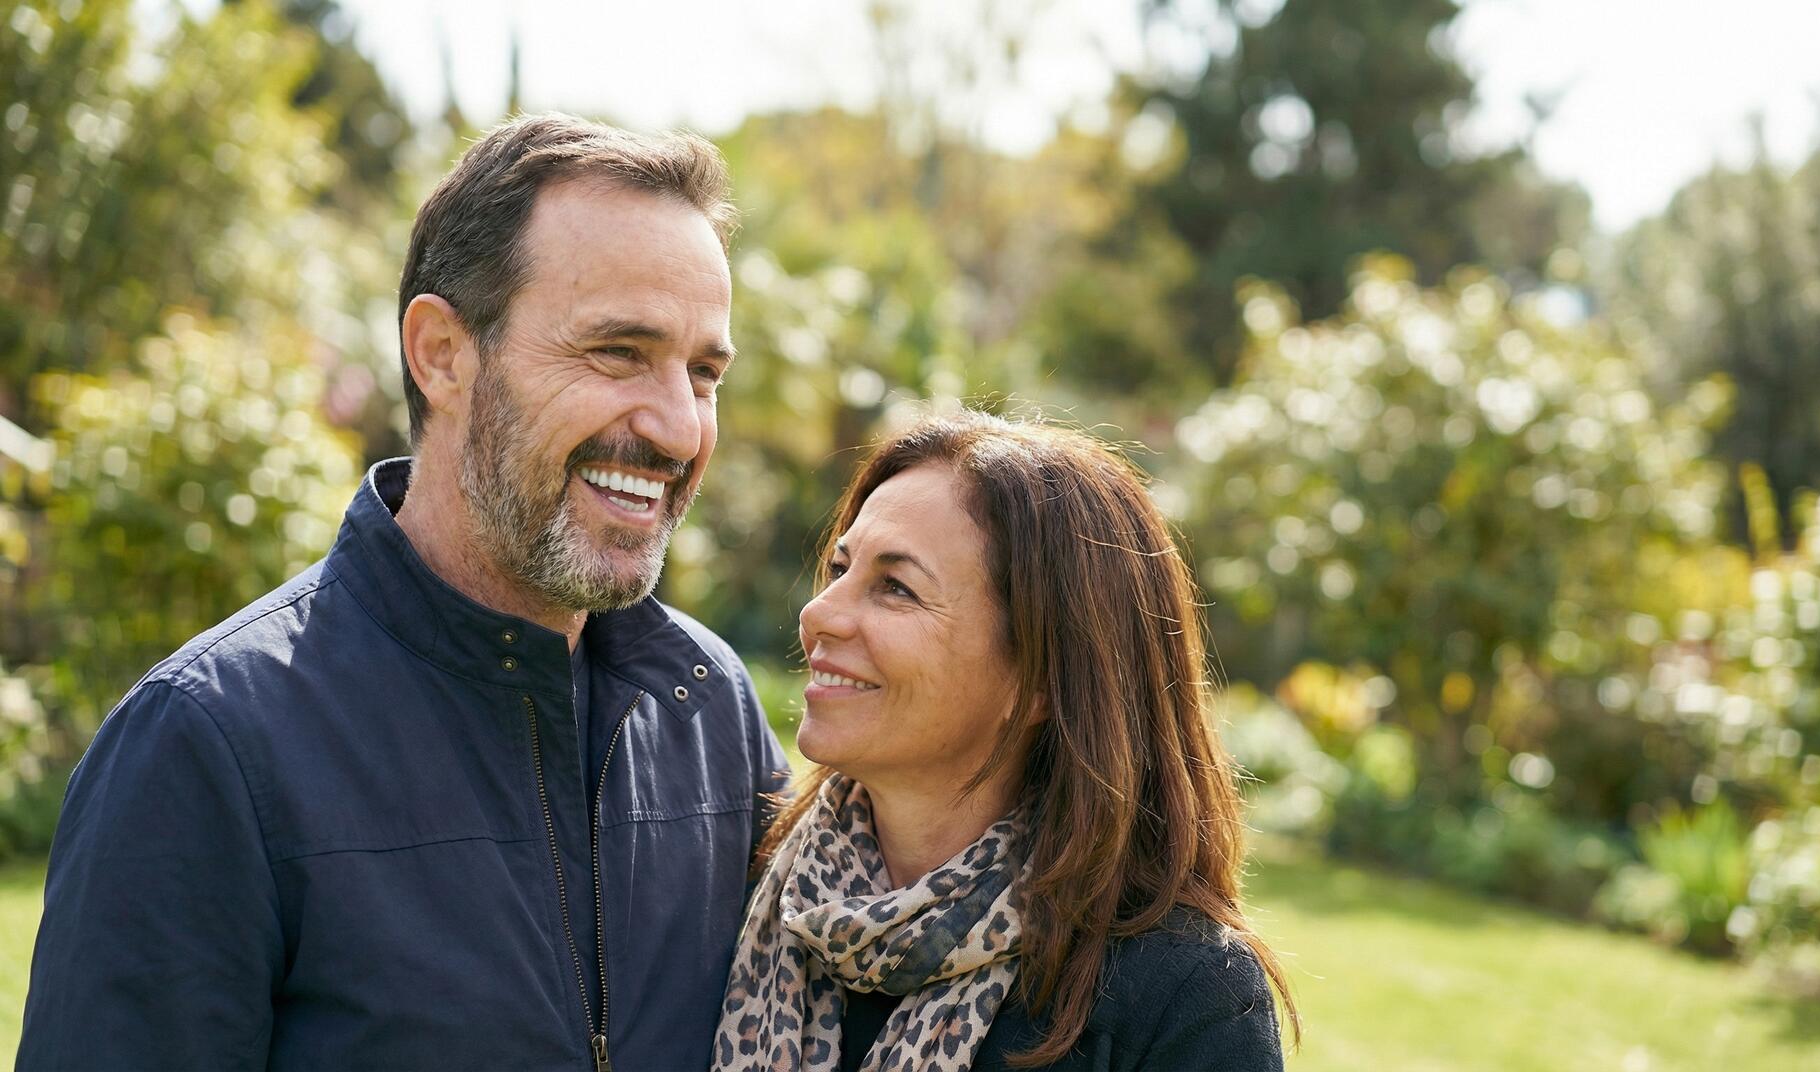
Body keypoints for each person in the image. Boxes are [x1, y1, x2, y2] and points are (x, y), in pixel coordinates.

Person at [19, 113, 788, 1070]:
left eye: (704, 373)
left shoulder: (709, 710)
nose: (678, 428)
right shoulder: (205, 746)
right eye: (618, 352)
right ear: (442, 355)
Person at [712, 411, 1297, 1071]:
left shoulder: (1183, 996)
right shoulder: (748, 889)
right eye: (840, 568)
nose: (817, 614)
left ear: (1045, 679)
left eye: (895, 588)